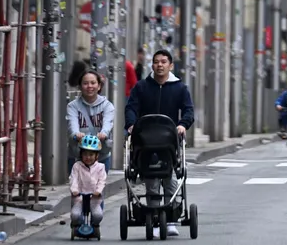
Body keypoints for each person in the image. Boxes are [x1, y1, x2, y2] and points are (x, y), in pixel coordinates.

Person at [123, 49, 194, 236]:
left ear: (171, 65)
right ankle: (154, 220)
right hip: (146, 141)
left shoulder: (180, 88)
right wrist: (131, 124)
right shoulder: (142, 87)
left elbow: (188, 110)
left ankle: (171, 218)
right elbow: (131, 108)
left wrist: (182, 125)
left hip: (169, 142)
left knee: (169, 179)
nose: (159, 65)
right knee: (151, 180)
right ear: (152, 65)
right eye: (156, 62)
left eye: (163, 62)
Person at [67, 70, 116, 171]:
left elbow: (108, 123)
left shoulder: (107, 106)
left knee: (98, 186)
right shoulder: (72, 106)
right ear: (80, 86)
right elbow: (72, 125)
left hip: (100, 156)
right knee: (76, 186)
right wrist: (76, 134)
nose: (89, 86)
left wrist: (104, 133)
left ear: (99, 86)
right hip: (78, 155)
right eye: (85, 83)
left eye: (93, 83)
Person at [70, 134, 107, 230]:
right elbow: (73, 179)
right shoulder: (77, 166)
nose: (88, 157)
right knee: (75, 215)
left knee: (98, 216)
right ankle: (77, 224)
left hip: (94, 198)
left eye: (91, 155)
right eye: (85, 154)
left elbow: (102, 181)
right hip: (79, 197)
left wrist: (98, 191)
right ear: (81, 154)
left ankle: (94, 225)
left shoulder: (100, 167)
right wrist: (74, 190)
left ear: (96, 156)